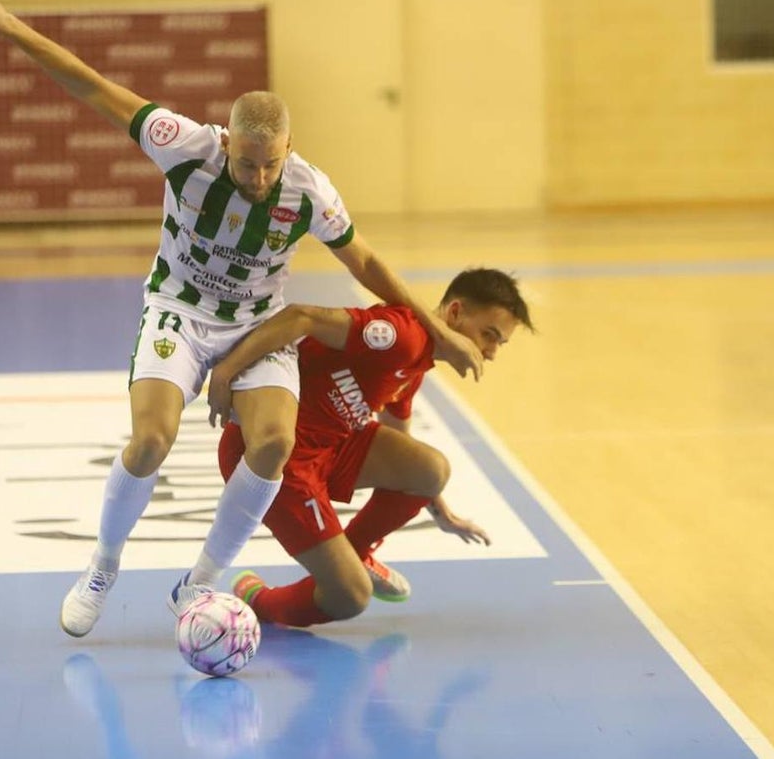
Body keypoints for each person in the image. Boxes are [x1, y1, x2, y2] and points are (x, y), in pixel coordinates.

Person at [0, 0, 483, 638]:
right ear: (228, 142)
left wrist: (439, 332)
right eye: (247, 162)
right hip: (178, 309)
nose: (258, 177)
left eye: (271, 164)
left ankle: (199, 581)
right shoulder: (184, 145)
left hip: (255, 322)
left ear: (290, 149)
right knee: (151, 441)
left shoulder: (310, 191)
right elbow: (90, 85)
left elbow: (365, 263)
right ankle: (102, 567)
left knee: (275, 442)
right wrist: (7, 25)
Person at [204, 268, 533, 627]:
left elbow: (401, 442)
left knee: (432, 469)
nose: (491, 353)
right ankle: (258, 600)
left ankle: (355, 553)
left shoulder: (417, 363)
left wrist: (440, 510)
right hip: (275, 459)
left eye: (500, 343)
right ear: (455, 312)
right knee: (351, 596)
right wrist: (226, 371)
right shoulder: (401, 337)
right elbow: (302, 317)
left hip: (328, 449)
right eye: (488, 335)